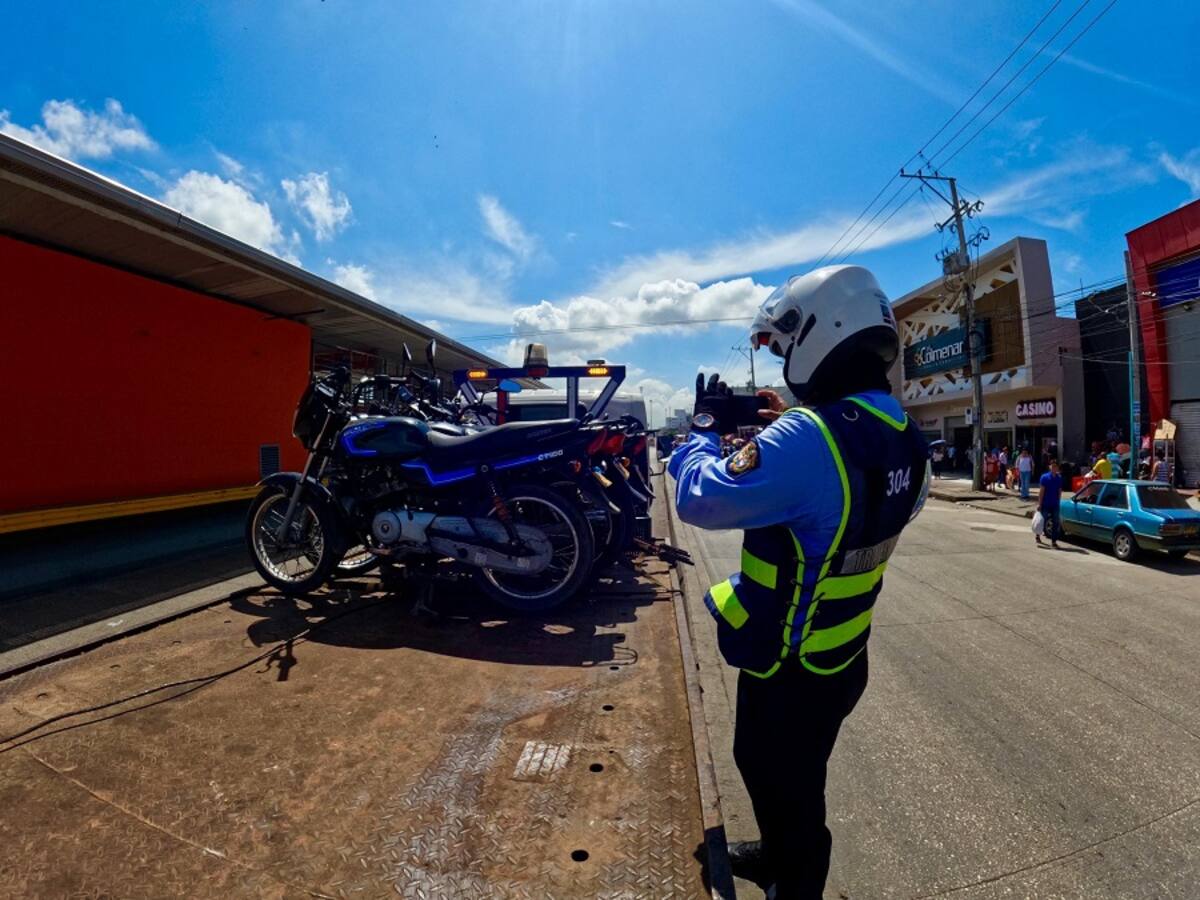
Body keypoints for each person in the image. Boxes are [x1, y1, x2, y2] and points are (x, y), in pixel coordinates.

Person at [668, 266, 929, 899]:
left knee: (782, 779)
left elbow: (701, 500)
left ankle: (797, 880)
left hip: (787, 665)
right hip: (841, 656)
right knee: (790, 773)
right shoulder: (907, 438)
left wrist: (698, 438)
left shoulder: (807, 439)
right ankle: (781, 853)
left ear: (819, 334)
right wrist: (792, 419)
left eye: (784, 346)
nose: (784, 360)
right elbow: (849, 482)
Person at [1036, 459, 1063, 549]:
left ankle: (1054, 541)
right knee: (1042, 521)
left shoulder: (1059, 478)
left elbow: (1059, 491)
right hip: (1045, 503)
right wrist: (1039, 503)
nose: (1054, 468)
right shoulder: (1044, 477)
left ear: (1057, 468)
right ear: (1049, 467)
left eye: (1056, 466)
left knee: (1056, 522)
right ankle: (1038, 535)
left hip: (1054, 504)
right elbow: (1041, 491)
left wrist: (1058, 502)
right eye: (1052, 466)